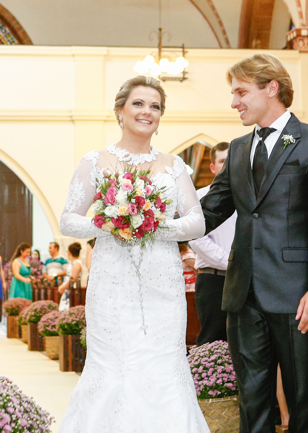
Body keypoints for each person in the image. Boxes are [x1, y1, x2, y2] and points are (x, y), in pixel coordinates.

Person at [201, 54, 308, 433]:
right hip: (243, 293)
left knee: (303, 403)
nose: (234, 102)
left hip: (298, 294)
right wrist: (149, 222)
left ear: (272, 88)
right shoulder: (236, 149)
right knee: (252, 402)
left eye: (241, 92)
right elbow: (210, 212)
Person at [58, 75, 208, 432]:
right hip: (112, 280)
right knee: (112, 364)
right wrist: (110, 222)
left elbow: (197, 222)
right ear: (120, 111)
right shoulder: (95, 161)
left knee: (163, 363)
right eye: (139, 104)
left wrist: (154, 224)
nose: (147, 112)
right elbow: (68, 220)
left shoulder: (174, 165)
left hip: (163, 282)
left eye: (155, 106)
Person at [189, 141, 234, 345]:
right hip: (213, 280)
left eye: (231, 161)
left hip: (245, 279)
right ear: (213, 167)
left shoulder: (248, 196)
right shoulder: (199, 197)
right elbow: (197, 238)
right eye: (223, 161)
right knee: (212, 340)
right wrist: (231, 263)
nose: (228, 166)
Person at [58, 242, 83, 311]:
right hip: (67, 289)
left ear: (69, 252)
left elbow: (73, 279)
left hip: (71, 290)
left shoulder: (76, 264)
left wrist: (63, 287)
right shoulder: (73, 263)